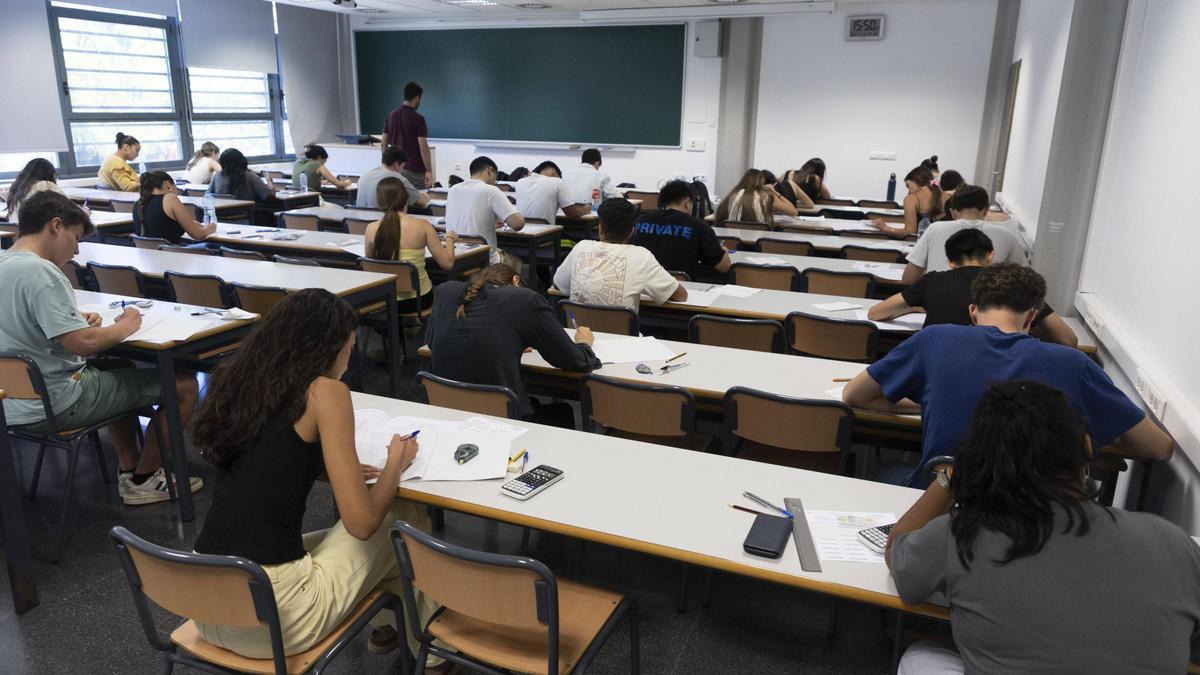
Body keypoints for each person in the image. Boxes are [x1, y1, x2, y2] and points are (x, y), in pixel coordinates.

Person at [190, 289, 443, 666]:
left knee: (381, 556)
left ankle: (392, 626)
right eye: (349, 347)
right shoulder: (325, 392)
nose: (350, 358)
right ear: (327, 347)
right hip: (275, 618)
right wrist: (396, 461)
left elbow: (270, 455)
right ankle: (438, 657)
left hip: (203, 597)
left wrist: (328, 464)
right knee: (401, 527)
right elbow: (361, 524)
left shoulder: (239, 381)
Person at [888, 380, 1200, 674]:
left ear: (980, 458)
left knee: (921, 655)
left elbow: (900, 556)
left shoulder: (960, 534)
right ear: (1086, 449)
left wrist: (951, 476)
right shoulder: (1174, 543)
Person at [843, 263, 1174, 487]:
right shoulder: (1072, 364)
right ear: (1032, 316)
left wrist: (921, 405)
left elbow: (854, 396)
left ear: (973, 312)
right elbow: (1159, 448)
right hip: (1030, 518)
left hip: (938, 499)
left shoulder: (934, 339)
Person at [0, 191, 202, 505]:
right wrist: (127, 324)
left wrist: (70, 318)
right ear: (56, 225)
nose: (77, 249)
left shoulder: (5, 262)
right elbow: (84, 343)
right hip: (56, 403)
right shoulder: (41, 272)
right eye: (76, 237)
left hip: (9, 404)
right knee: (185, 384)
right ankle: (145, 478)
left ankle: (129, 466)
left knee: (115, 369)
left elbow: (17, 321)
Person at [426, 263, 600, 428]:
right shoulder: (525, 299)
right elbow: (574, 361)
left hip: (446, 413)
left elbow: (432, 342)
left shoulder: (445, 291)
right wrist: (584, 344)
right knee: (562, 412)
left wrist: (512, 340)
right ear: (516, 280)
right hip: (503, 422)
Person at [868, 228, 1077, 347]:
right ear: (990, 256)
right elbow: (1068, 340)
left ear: (950, 261)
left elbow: (876, 313)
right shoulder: (1014, 285)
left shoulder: (931, 281)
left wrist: (914, 306)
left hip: (936, 369)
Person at [554, 198, 686, 310]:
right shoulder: (641, 256)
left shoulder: (581, 247)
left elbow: (558, 284)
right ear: (632, 231)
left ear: (601, 228)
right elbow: (680, 295)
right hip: (622, 339)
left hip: (577, 335)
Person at [363, 177, 457, 313]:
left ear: (379, 203)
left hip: (387, 299)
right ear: (406, 199)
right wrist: (449, 238)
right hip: (419, 300)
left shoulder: (371, 229)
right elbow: (447, 264)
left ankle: (403, 331)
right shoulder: (423, 225)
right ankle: (413, 330)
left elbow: (371, 265)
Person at [901, 185, 1027, 284]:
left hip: (938, 305)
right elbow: (1025, 279)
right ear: (985, 211)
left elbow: (908, 278)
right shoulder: (1007, 236)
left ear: (953, 213)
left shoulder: (934, 229)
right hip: (985, 308)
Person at [631, 179, 730, 279]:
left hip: (641, 285)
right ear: (687, 202)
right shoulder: (698, 226)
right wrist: (724, 251)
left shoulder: (640, 220)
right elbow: (723, 267)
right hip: (681, 289)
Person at [444, 156, 524, 266]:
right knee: (518, 262)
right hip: (484, 259)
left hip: (456, 256)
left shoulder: (453, 190)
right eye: (496, 178)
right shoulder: (491, 191)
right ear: (490, 171)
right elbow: (518, 224)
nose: (495, 182)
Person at [132, 171, 217, 245]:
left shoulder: (138, 203)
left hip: (149, 259)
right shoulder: (170, 198)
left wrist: (193, 224)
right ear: (168, 184)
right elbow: (198, 235)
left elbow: (162, 224)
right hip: (173, 258)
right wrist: (211, 227)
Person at [380, 81, 432, 189]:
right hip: (414, 171)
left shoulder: (391, 116)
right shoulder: (418, 119)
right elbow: (423, 146)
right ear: (417, 97)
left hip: (395, 168)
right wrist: (428, 170)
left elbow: (383, 142)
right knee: (418, 202)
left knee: (398, 199)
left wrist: (386, 164)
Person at [871, 165, 942, 238]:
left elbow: (910, 233)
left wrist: (885, 228)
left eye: (908, 186)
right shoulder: (942, 196)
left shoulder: (911, 199)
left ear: (916, 180)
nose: (908, 192)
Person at [514, 160, 589, 225]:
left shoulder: (520, 182)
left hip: (522, 231)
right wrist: (585, 209)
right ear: (553, 171)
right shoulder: (557, 182)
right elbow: (572, 214)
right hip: (545, 233)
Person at [355, 145, 429, 211]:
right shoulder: (396, 179)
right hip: (385, 223)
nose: (403, 171)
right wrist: (426, 197)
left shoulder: (364, 176)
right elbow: (421, 202)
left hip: (360, 224)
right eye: (402, 167)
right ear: (396, 164)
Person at [714, 169, 798, 225]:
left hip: (732, 240)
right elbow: (794, 212)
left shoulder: (733, 193)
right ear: (761, 182)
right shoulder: (765, 195)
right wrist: (774, 192)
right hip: (758, 241)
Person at [208, 148, 274, 204]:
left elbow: (209, 194)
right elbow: (269, 197)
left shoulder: (218, 176)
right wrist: (269, 182)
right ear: (242, 160)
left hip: (220, 214)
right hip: (243, 215)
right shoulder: (249, 175)